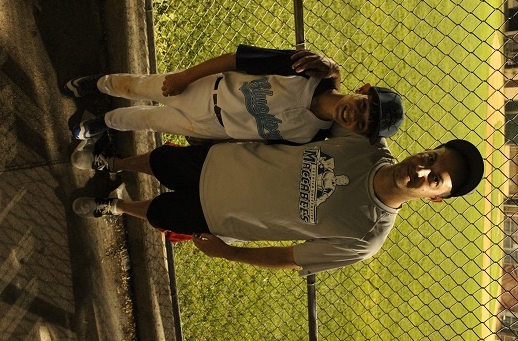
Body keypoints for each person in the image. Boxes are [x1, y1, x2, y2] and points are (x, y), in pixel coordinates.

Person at [72, 133, 484, 276]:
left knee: (160, 213)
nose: (422, 169)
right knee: (161, 160)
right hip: (224, 161)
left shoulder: (366, 238)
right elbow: (322, 108)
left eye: (436, 179)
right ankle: (115, 161)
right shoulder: (366, 144)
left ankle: (116, 207)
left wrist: (230, 252)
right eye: (432, 157)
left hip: (222, 215)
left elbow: (292, 258)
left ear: (435, 199)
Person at [64, 45, 404, 146]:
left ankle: (106, 122)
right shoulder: (303, 71)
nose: (356, 117)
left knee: (148, 121)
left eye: (363, 124)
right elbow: (236, 60)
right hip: (204, 90)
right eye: (364, 106)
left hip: (213, 128)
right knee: (141, 86)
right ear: (362, 90)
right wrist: (186, 75)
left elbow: (258, 145)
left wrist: (213, 141)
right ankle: (101, 84)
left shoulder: (313, 136)